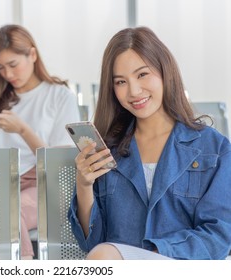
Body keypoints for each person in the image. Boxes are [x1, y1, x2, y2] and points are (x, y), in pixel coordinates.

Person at [68, 26, 231, 260]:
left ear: (165, 71)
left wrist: (150, 257)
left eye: (142, 74)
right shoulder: (108, 149)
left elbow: (218, 236)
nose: (134, 91)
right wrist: (84, 186)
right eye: (121, 82)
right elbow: (92, 243)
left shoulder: (214, 148)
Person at [0, 24, 80, 259]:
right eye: (1, 68)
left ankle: (23, 263)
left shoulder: (59, 96)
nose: (8, 74)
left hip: (44, 185)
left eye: (13, 65)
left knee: (5, 208)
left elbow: (60, 165)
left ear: (32, 54)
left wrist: (22, 129)